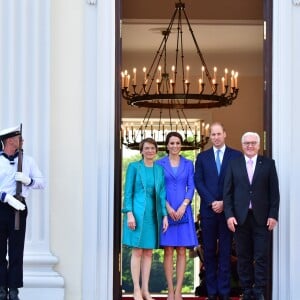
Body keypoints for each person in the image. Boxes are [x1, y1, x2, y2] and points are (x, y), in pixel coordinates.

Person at [223, 132, 280, 300]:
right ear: (242, 145)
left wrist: (273, 215)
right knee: (243, 256)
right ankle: (247, 290)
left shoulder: (268, 164)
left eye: (253, 143)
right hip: (240, 218)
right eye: (247, 143)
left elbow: (274, 193)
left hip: (262, 218)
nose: (250, 146)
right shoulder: (234, 164)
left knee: (261, 255)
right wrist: (229, 215)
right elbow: (228, 193)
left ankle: (259, 290)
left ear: (258, 144)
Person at [194, 122, 242, 300]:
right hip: (208, 212)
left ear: (225, 134)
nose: (215, 137)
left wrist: (224, 202)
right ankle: (211, 292)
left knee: (225, 253)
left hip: (228, 213)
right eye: (212, 134)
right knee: (209, 253)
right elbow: (198, 182)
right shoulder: (202, 157)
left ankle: (224, 292)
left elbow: (239, 183)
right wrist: (213, 201)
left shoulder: (236, 156)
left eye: (218, 134)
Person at [0, 125, 45, 300]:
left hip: (19, 208)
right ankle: (1, 288)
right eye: (19, 138)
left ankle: (14, 289)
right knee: (0, 249)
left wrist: (28, 180)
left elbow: (41, 183)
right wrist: (5, 196)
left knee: (17, 250)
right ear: (10, 140)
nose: (22, 141)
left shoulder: (28, 161)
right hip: (1, 206)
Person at [122, 138, 168, 300]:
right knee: (137, 251)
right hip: (137, 214)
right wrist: (129, 213)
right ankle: (135, 290)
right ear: (141, 151)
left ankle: (145, 290)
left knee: (148, 253)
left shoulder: (159, 170)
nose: (150, 151)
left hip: (153, 215)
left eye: (152, 148)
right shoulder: (134, 167)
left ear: (156, 151)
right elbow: (128, 192)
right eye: (146, 148)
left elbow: (162, 194)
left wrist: (164, 216)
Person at [156, 132, 198, 300]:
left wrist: (183, 205)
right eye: (171, 143)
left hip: (183, 210)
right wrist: (166, 207)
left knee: (181, 250)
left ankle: (179, 291)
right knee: (168, 250)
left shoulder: (189, 164)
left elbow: (191, 186)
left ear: (181, 145)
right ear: (167, 145)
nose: (174, 146)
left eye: (177, 143)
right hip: (166, 211)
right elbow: (158, 188)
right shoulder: (159, 164)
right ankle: (170, 291)